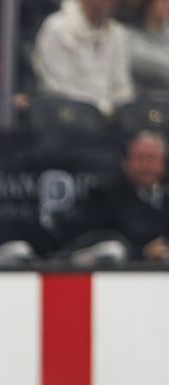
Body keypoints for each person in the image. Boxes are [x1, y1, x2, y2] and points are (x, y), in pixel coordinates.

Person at [65, 129, 169, 264]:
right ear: (126, 163)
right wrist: (143, 252)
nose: (146, 166)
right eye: (140, 158)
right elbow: (98, 246)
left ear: (164, 164)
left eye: (152, 158)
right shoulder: (103, 197)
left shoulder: (164, 199)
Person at [33, 0, 133, 116]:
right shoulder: (56, 27)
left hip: (111, 115)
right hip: (69, 114)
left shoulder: (117, 33)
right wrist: (100, 107)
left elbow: (122, 87)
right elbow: (55, 86)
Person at [123, 0, 169, 93]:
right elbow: (136, 61)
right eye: (163, 1)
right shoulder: (128, 35)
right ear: (148, 4)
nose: (167, 5)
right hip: (144, 96)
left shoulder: (167, 33)